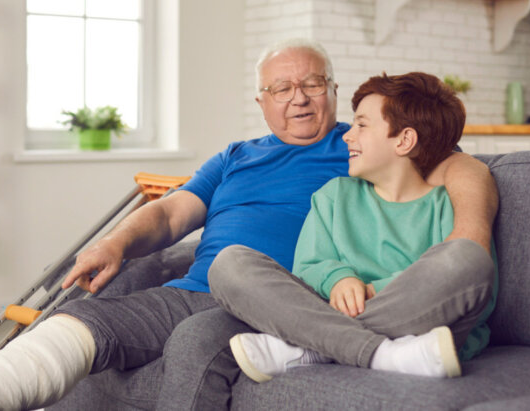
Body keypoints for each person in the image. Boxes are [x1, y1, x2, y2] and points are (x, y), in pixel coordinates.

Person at [0, 39, 498, 411]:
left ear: (331, 89)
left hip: (279, 302)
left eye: (314, 84)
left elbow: (458, 166)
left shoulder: (356, 149)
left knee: (200, 331)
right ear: (263, 100)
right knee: (88, 309)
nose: (300, 98)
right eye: (282, 88)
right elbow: (170, 213)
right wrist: (116, 242)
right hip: (200, 283)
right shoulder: (237, 156)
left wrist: (468, 236)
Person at [209, 72, 497, 384]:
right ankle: (382, 353)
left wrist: (372, 291)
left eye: (361, 124)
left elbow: (475, 292)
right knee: (230, 263)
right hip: (370, 324)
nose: (348, 135)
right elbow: (308, 266)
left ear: (404, 140)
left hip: (419, 322)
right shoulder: (334, 195)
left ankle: (315, 348)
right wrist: (337, 279)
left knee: (469, 257)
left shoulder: (445, 204)